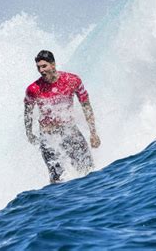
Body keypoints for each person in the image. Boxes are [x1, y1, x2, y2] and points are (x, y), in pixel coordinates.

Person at [24, 50, 101, 183]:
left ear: (53, 65)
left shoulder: (72, 80)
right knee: (57, 179)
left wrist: (93, 133)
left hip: (70, 131)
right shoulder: (33, 89)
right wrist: (29, 133)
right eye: (38, 67)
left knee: (88, 170)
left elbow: (86, 106)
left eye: (44, 66)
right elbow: (28, 113)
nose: (41, 70)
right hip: (49, 138)